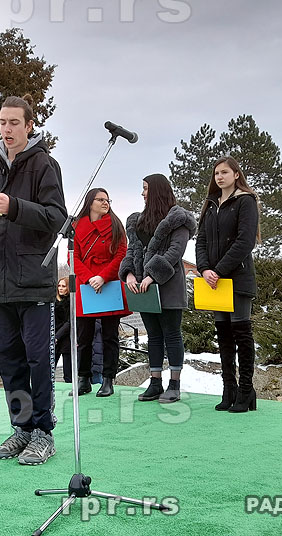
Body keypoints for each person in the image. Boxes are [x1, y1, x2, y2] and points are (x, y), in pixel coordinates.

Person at [0, 94, 67, 465]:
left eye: (14, 123)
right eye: (2, 122)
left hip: (34, 280)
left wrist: (14, 206)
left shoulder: (44, 165)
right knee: (10, 362)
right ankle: (21, 428)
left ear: (29, 125)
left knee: (39, 361)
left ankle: (43, 433)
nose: (7, 129)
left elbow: (57, 218)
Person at [120, 173, 196, 404]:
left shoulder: (178, 219)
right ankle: (155, 383)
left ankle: (174, 384)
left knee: (171, 334)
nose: (142, 193)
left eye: (146, 188)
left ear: (157, 190)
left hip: (169, 285)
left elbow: (175, 251)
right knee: (153, 335)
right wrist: (129, 273)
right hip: (143, 288)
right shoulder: (139, 221)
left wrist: (153, 274)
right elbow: (132, 250)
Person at [195, 157, 260, 413]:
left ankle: (246, 390)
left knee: (241, 333)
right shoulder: (211, 203)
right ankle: (228, 389)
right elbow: (201, 241)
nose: (219, 177)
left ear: (236, 174)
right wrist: (204, 269)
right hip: (214, 281)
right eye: (216, 173)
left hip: (237, 278)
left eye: (224, 172)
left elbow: (245, 241)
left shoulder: (246, 201)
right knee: (223, 336)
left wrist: (219, 270)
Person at [72, 187, 129, 397]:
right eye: (101, 199)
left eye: (107, 200)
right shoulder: (76, 227)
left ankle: (108, 379)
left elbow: (121, 254)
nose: (106, 203)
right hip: (86, 285)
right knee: (84, 336)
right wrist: (88, 277)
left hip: (109, 283)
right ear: (90, 202)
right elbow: (73, 256)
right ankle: (83, 379)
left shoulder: (116, 226)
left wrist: (103, 277)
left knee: (110, 336)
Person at [53, 277, 72, 383]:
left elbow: (69, 322)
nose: (60, 288)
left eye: (63, 286)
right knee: (50, 369)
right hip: (54, 335)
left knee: (68, 372)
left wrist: (57, 336)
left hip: (66, 337)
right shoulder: (53, 302)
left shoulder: (71, 302)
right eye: (59, 286)